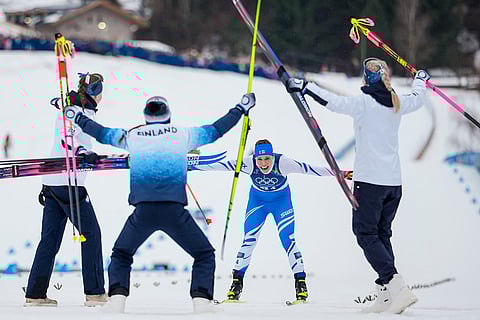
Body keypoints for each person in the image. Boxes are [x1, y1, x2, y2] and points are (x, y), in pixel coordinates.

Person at [64, 92, 256, 313]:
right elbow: (216, 131)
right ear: (168, 114)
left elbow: (101, 133)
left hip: (142, 211)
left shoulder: (133, 136)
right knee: (203, 255)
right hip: (175, 211)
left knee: (121, 255)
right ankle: (202, 304)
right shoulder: (183, 135)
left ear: (146, 115)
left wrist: (76, 117)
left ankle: (116, 303)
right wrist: (241, 108)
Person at [286, 58, 430, 314]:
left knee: (365, 234)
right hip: (393, 184)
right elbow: (418, 98)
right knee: (381, 234)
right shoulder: (398, 102)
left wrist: (305, 86)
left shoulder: (364, 102)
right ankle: (386, 294)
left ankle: (395, 283)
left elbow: (333, 102)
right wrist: (421, 79)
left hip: (370, 183)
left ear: (366, 78)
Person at [191, 139, 353, 302]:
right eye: (259, 159)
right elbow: (220, 165)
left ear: (272, 156)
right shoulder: (248, 163)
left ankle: (301, 285)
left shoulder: (283, 163)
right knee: (248, 241)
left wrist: (341, 173)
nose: (263, 163)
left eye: (267, 158)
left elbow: (311, 169)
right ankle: (236, 285)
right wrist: (191, 166)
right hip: (257, 203)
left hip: (281, 203)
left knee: (288, 240)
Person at [25, 73, 107, 307]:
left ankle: (35, 294)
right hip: (68, 183)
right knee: (91, 234)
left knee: (49, 240)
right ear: (94, 91)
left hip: (53, 183)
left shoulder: (71, 108)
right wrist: (82, 153)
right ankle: (94, 293)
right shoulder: (76, 112)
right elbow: (67, 139)